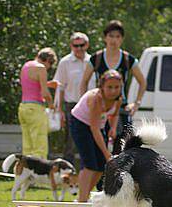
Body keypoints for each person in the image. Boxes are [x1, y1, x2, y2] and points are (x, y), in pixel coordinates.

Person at [79, 20, 146, 151]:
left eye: (117, 36)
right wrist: (86, 103)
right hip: (100, 109)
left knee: (124, 148)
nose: (114, 40)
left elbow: (142, 82)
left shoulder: (128, 59)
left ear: (122, 39)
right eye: (111, 36)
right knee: (98, 147)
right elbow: (84, 82)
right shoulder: (96, 58)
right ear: (105, 38)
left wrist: (136, 103)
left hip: (121, 110)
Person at [71, 69, 123, 202]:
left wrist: (112, 127)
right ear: (102, 86)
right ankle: (81, 201)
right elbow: (94, 129)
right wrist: (107, 154)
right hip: (81, 124)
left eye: (116, 87)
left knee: (100, 167)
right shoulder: (96, 99)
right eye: (109, 87)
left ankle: (85, 196)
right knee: (90, 164)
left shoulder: (118, 99)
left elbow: (114, 114)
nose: (113, 91)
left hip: (98, 126)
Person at [54, 32, 91, 165]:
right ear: (71, 46)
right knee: (70, 139)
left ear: (87, 45)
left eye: (82, 45)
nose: (79, 48)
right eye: (76, 46)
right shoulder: (65, 62)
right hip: (72, 105)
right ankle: (67, 170)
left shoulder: (92, 61)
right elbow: (60, 87)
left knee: (89, 138)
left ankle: (86, 168)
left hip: (90, 104)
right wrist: (60, 110)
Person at [18, 48, 57, 159]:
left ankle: (27, 171)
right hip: (35, 108)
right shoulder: (41, 68)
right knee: (40, 143)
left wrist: (48, 84)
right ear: (48, 60)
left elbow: (31, 84)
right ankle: (39, 171)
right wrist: (51, 104)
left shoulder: (26, 66)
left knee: (28, 144)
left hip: (23, 107)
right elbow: (44, 93)